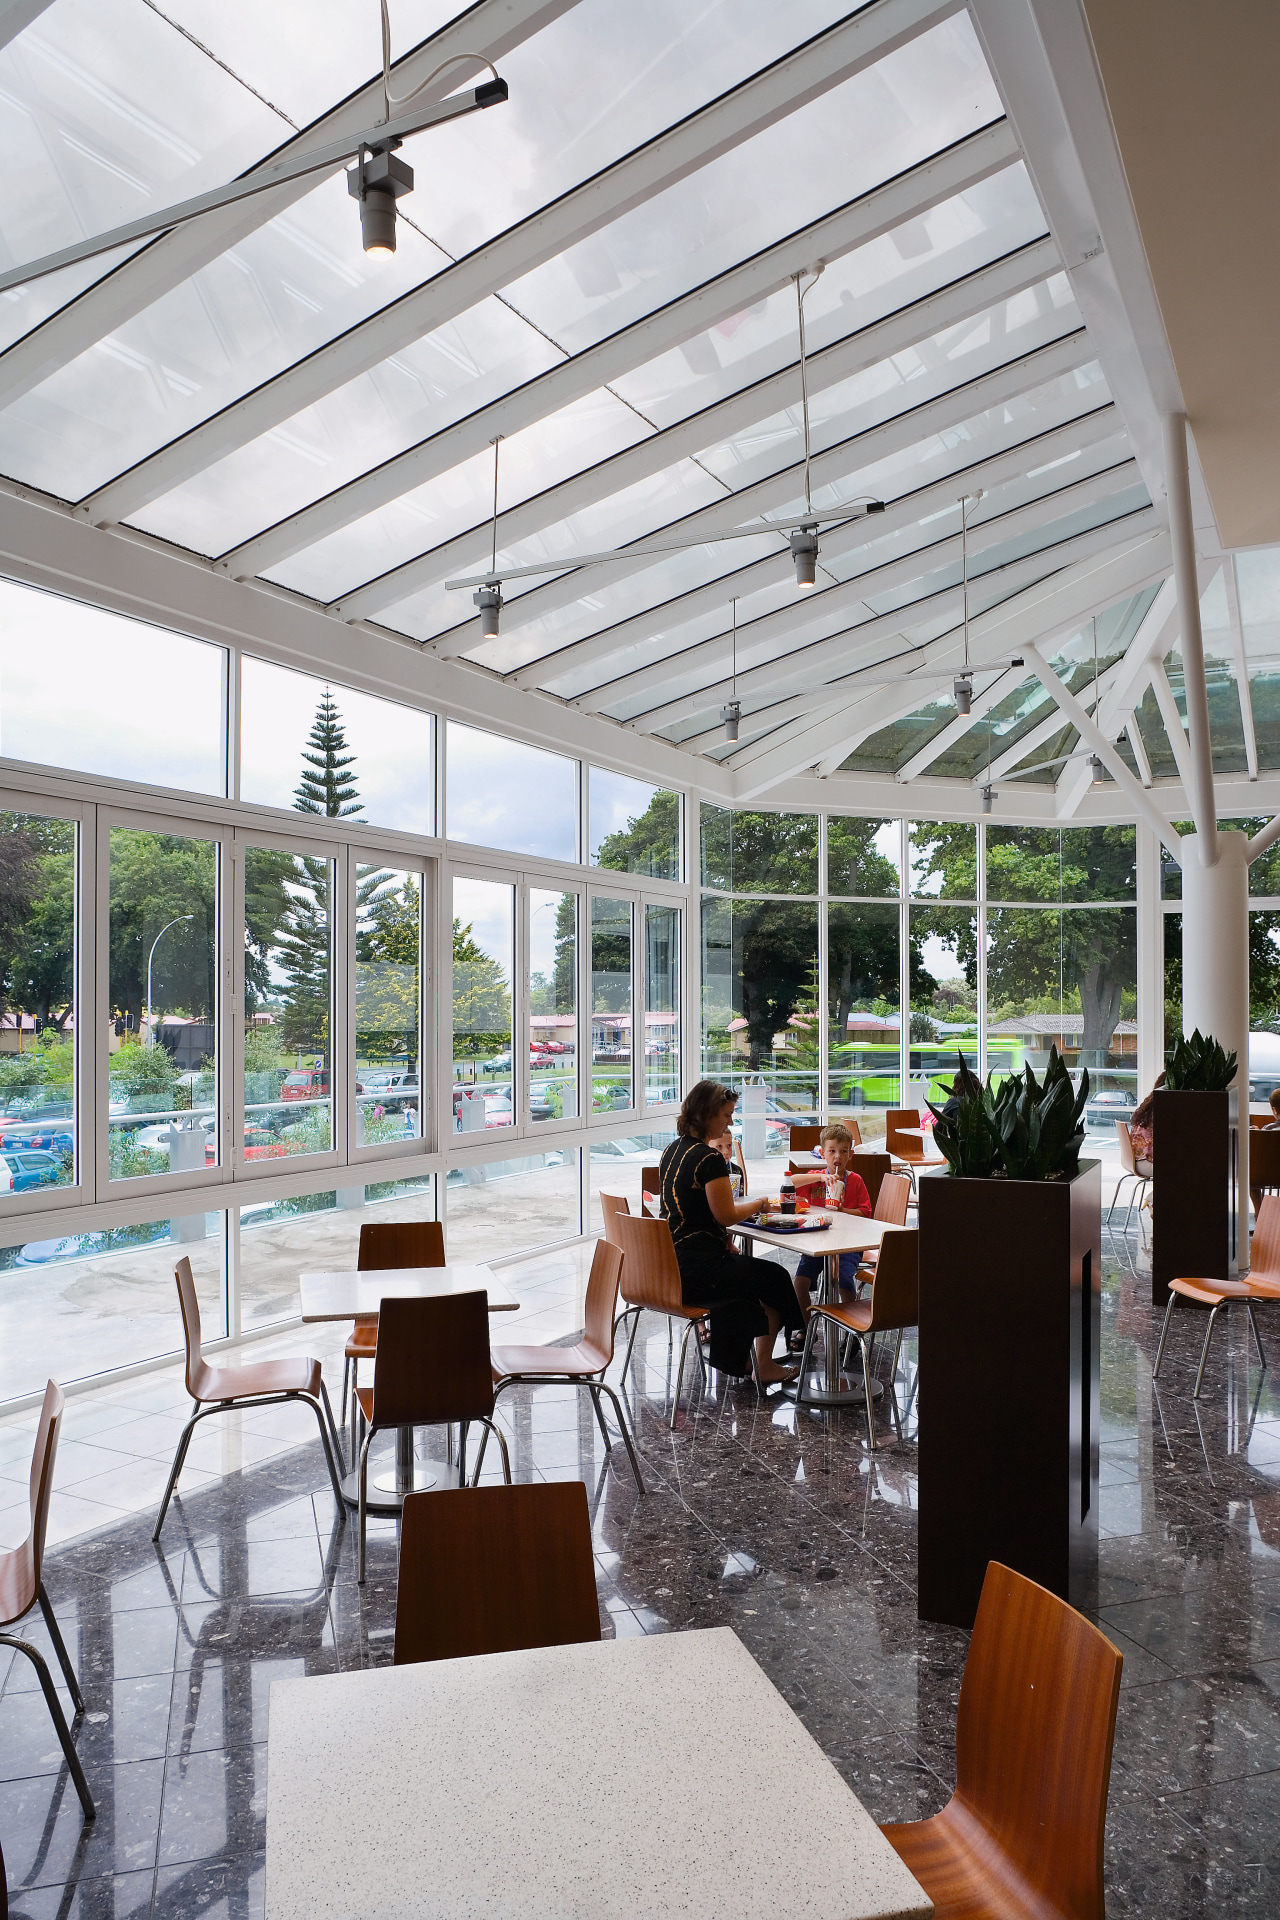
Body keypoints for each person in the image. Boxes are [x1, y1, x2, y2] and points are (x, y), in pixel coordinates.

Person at [659, 1081, 803, 1385]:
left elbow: (692, 1212)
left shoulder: (671, 1150)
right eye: (726, 1114)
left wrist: (723, 1237)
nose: (730, 1121)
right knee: (774, 1278)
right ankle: (764, 1363)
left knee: (758, 1277)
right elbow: (725, 1215)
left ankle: (749, 1358)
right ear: (706, 1114)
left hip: (669, 1267)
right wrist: (760, 1203)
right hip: (699, 1270)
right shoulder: (709, 1159)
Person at [790, 1122, 873, 1312]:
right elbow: (790, 1183)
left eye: (844, 1151)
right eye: (832, 1151)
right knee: (800, 1283)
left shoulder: (855, 1180)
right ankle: (805, 1328)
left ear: (850, 1155)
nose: (838, 1156)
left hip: (849, 1244)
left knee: (843, 1280)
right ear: (822, 1153)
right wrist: (819, 1178)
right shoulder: (817, 1178)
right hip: (818, 1244)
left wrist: (843, 1209)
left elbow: (865, 1213)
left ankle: (850, 1330)